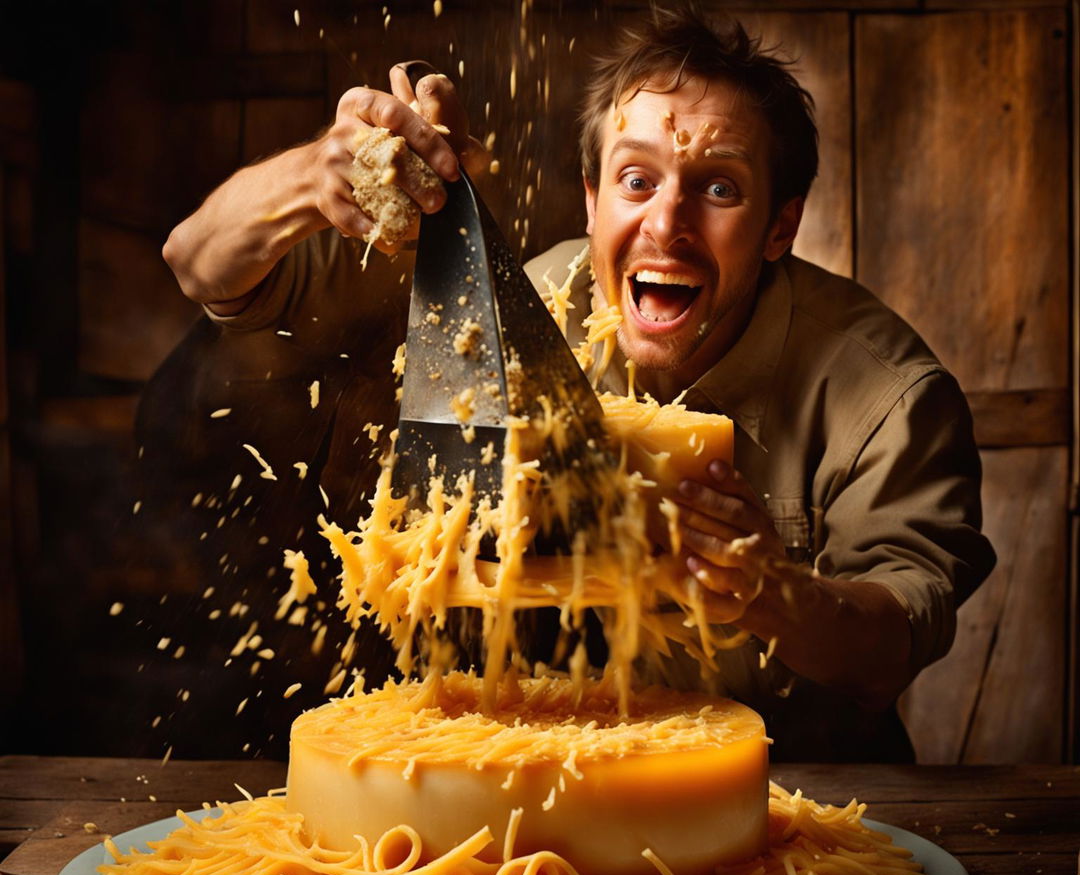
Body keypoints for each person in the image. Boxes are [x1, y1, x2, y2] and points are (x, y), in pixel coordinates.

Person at [159, 5, 995, 761]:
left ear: (781, 226)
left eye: (719, 188)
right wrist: (318, 177)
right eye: (637, 180)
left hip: (797, 804)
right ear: (592, 199)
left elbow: (894, 645)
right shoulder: (519, 318)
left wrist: (776, 596)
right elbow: (200, 263)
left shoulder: (889, 398)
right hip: (543, 793)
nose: (666, 224)